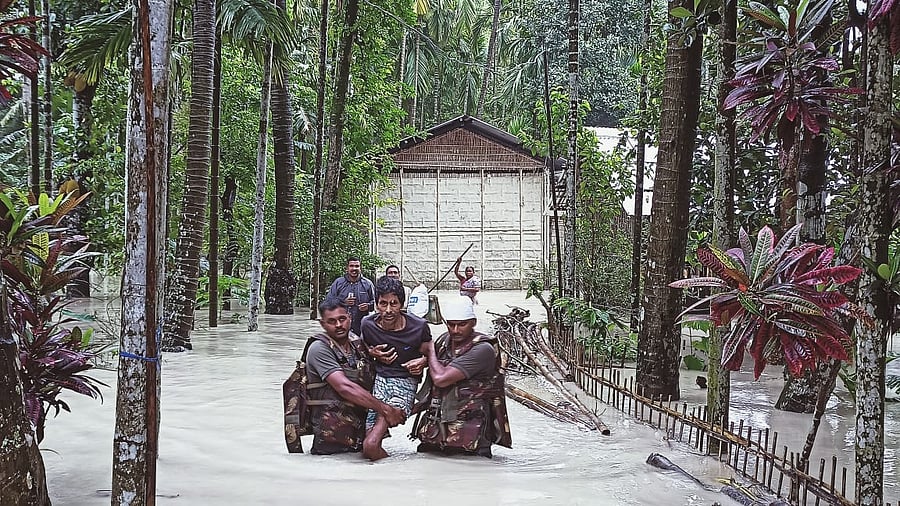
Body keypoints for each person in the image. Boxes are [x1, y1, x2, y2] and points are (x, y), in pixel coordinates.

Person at [411, 297, 512, 458]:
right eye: (451, 324)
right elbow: (434, 390)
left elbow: (440, 378)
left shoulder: (483, 349)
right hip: (436, 435)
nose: (455, 330)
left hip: (470, 439)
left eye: (462, 324)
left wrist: (429, 351)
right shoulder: (444, 341)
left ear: (473, 322)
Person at [304, 298, 406, 455]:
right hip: (331, 443)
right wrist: (386, 410)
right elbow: (345, 388)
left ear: (350, 317)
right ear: (322, 324)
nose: (339, 325)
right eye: (332, 321)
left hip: (359, 437)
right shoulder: (319, 349)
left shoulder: (356, 343)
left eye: (342, 319)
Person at [359, 276, 431, 460]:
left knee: (370, 444)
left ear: (402, 304)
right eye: (383, 304)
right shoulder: (368, 324)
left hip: (405, 383)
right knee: (368, 440)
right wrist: (372, 352)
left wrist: (422, 362)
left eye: (394, 303)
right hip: (379, 382)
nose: (388, 310)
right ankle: (391, 471)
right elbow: (361, 348)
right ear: (376, 304)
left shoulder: (418, 326)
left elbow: (434, 352)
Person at [326, 256, 375, 335]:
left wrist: (368, 306)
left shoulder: (368, 284)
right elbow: (328, 302)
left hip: (361, 328)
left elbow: (377, 303)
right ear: (347, 268)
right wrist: (342, 302)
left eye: (357, 266)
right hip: (340, 326)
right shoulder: (338, 283)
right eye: (351, 266)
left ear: (360, 268)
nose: (354, 268)